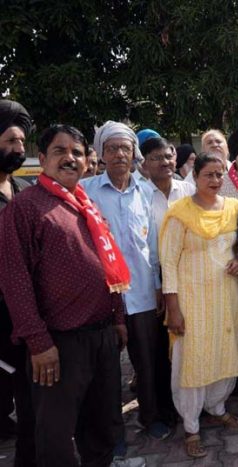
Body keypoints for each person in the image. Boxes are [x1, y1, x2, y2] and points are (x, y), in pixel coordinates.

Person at [0, 125, 128, 467]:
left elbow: (107, 263)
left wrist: (117, 318)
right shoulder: (25, 208)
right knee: (55, 438)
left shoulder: (87, 204)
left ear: (87, 162)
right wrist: (39, 343)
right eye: (60, 151)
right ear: (42, 159)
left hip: (101, 338)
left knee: (100, 431)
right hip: (57, 346)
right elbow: (14, 280)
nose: (70, 158)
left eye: (77, 152)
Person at [82, 121, 172, 441]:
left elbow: (153, 245)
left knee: (148, 361)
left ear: (134, 154)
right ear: (101, 155)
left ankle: (152, 417)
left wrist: (160, 285)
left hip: (143, 292)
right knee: (106, 369)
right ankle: (111, 432)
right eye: (112, 148)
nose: (119, 154)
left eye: (125, 148)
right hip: (103, 295)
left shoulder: (146, 191)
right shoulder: (86, 191)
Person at [159, 153, 238, 458]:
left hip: (226, 297)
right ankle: (191, 425)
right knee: (193, 359)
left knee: (225, 350)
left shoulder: (234, 208)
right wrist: (173, 308)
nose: (215, 181)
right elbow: (168, 263)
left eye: (220, 174)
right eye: (208, 174)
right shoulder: (179, 213)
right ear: (194, 176)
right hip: (192, 299)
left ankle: (218, 407)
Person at [0, 99, 35, 467]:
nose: (19, 149)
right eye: (11, 141)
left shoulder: (25, 189)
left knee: (30, 399)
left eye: (22, 142)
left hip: (25, 315)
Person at [142, 138, 196, 229]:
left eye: (169, 157)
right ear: (144, 164)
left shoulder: (189, 190)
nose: (165, 162)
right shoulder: (140, 196)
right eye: (157, 158)